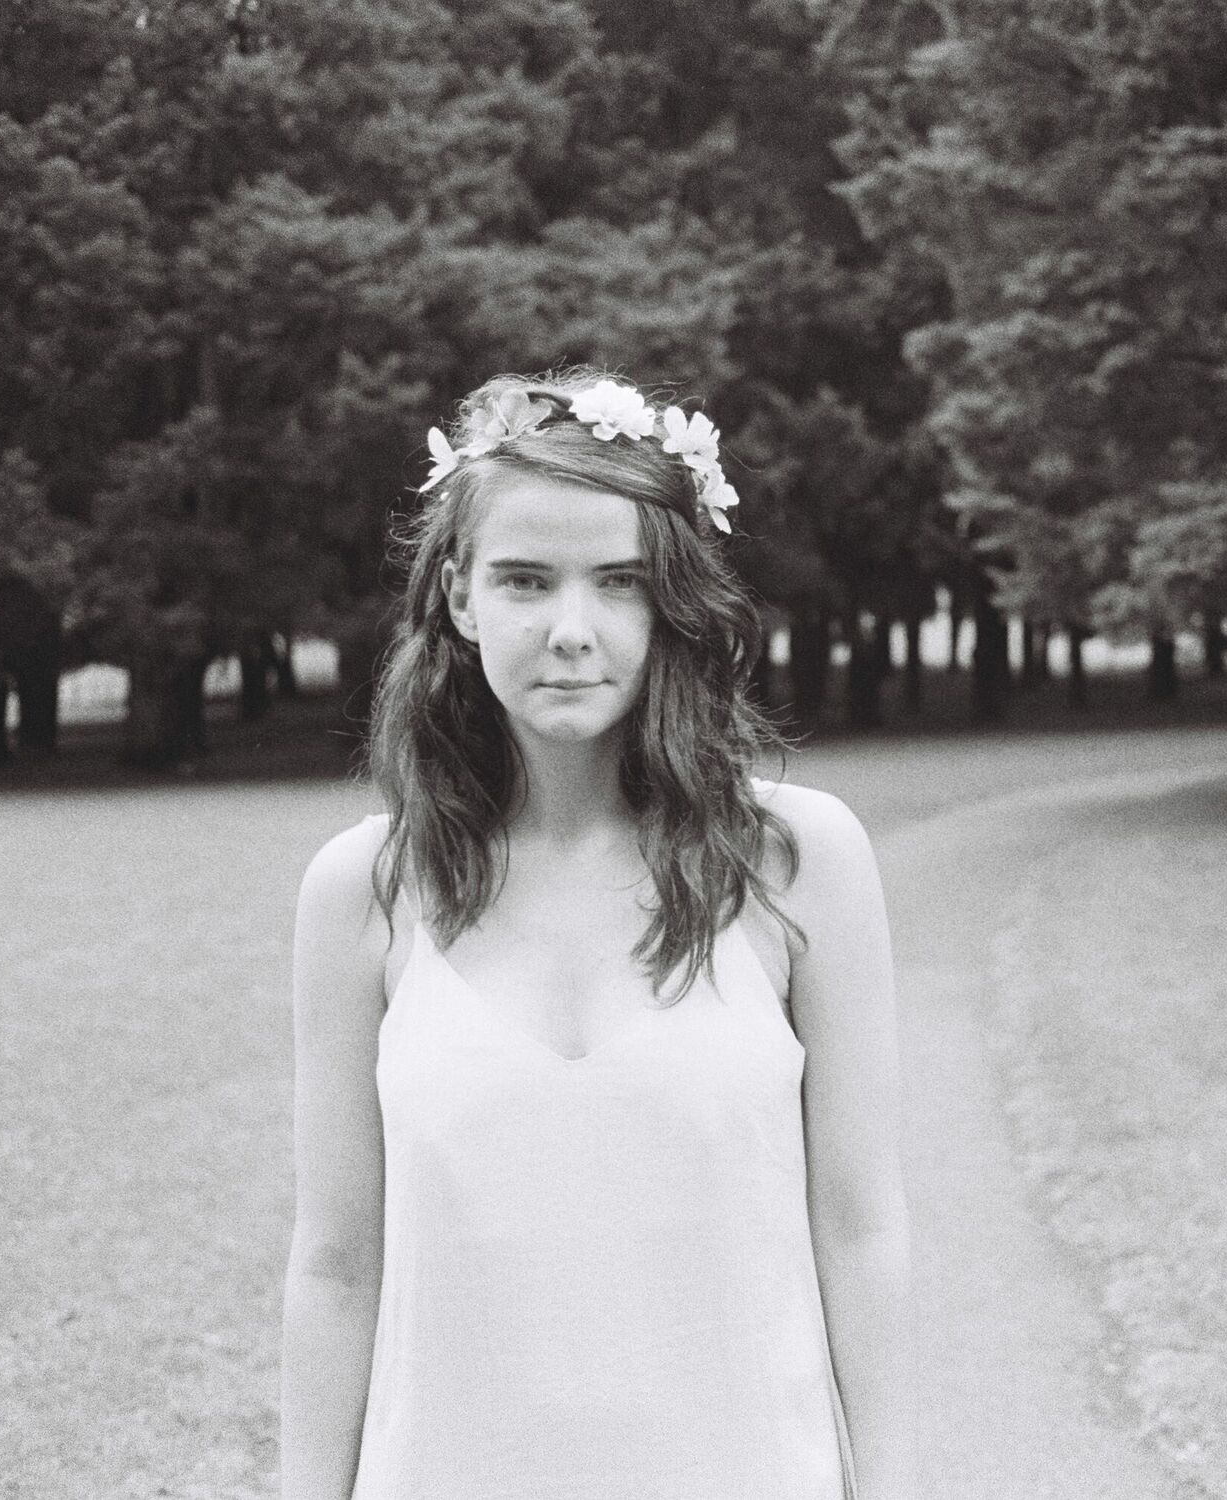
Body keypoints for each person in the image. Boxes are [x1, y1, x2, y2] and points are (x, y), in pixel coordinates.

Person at [279, 370, 917, 1500]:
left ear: (667, 601)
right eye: (525, 580)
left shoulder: (796, 866)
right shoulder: (364, 894)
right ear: (462, 598)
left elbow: (860, 1227)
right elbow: (336, 1265)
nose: (571, 631)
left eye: (616, 584)